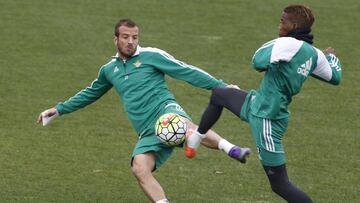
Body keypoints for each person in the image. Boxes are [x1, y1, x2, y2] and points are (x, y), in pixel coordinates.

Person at [37, 19, 250, 203]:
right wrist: (58, 110)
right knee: (139, 168)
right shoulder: (109, 70)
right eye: (126, 37)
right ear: (115, 40)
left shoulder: (151, 55)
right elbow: (90, 93)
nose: (131, 42)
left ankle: (232, 150)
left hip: (165, 110)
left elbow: (185, 71)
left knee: (184, 127)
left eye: (135, 37)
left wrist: (221, 86)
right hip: (147, 131)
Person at [186, 4, 342, 203]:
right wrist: (331, 57)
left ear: (293, 25)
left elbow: (257, 60)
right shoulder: (315, 54)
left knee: (280, 184)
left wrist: (274, 57)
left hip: (266, 119)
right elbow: (335, 76)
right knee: (219, 95)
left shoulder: (287, 44)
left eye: (282, 21)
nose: (279, 24)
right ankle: (196, 138)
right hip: (258, 103)